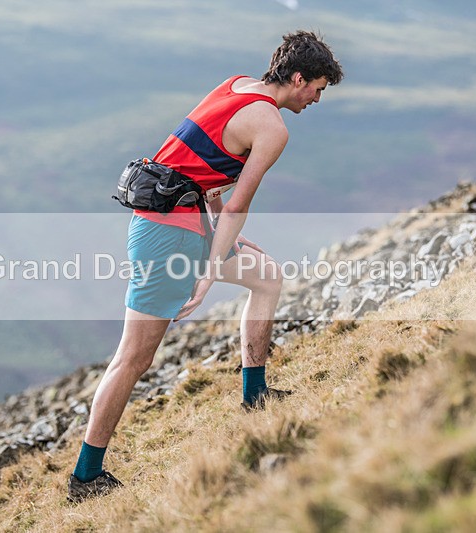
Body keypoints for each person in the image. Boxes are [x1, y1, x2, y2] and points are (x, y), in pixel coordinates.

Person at [67, 30, 343, 502]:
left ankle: (255, 393)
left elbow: (201, 175)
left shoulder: (234, 85)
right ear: (298, 78)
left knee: (268, 277)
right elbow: (237, 204)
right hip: (167, 235)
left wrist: (219, 241)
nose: (317, 98)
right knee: (134, 358)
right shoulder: (273, 129)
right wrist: (212, 267)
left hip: (178, 222)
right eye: (317, 88)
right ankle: (86, 477)